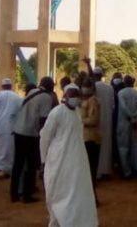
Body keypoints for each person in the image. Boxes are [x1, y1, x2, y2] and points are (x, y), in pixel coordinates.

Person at [40, 85, 98, 227]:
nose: (74, 98)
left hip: (77, 160)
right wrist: (43, 158)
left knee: (78, 192)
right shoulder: (57, 112)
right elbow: (45, 136)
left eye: (76, 95)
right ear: (65, 97)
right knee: (58, 191)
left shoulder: (78, 112)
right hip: (59, 159)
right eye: (71, 95)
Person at [10, 77, 55, 203]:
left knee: (18, 164)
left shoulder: (31, 92)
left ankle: (14, 194)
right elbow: (43, 119)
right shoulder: (46, 97)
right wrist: (45, 136)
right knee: (31, 165)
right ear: (49, 85)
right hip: (31, 134)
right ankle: (27, 194)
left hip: (19, 131)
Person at [86, 59, 115, 179]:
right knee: (106, 145)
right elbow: (113, 105)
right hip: (108, 120)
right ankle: (105, 171)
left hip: (96, 120)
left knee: (97, 146)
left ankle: (96, 172)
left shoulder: (93, 88)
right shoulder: (109, 88)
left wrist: (88, 65)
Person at [0, 78, 21, 178]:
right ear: (11, 86)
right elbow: (20, 113)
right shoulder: (16, 97)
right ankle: (8, 170)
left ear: (2, 86)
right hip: (11, 127)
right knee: (9, 149)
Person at [117, 75, 137, 179]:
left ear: (124, 82)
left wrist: (130, 116)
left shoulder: (121, 93)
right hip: (135, 123)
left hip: (123, 123)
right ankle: (136, 169)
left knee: (123, 148)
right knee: (135, 147)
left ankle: (127, 172)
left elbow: (123, 107)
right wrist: (136, 115)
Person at [79, 80, 101, 191]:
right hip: (85, 137)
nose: (85, 89)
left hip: (91, 138)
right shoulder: (84, 100)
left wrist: (80, 120)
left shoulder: (92, 101)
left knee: (91, 168)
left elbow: (93, 120)